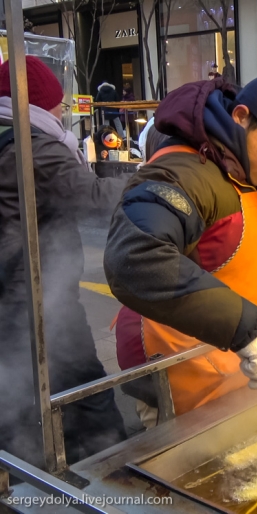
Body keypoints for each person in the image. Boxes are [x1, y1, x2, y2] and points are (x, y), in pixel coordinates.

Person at [105, 75, 257, 422]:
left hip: (235, 365)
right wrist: (241, 329)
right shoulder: (183, 172)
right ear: (240, 117)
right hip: (182, 366)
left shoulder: (253, 172)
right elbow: (135, 257)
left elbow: (247, 248)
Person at [0, 56, 128, 467]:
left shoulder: (8, 139)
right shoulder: (34, 147)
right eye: (59, 103)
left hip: (14, 292)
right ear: (40, 105)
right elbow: (91, 199)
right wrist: (152, 179)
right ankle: (113, 476)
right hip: (36, 297)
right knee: (86, 393)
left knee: (20, 395)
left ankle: (25, 477)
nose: (63, 111)